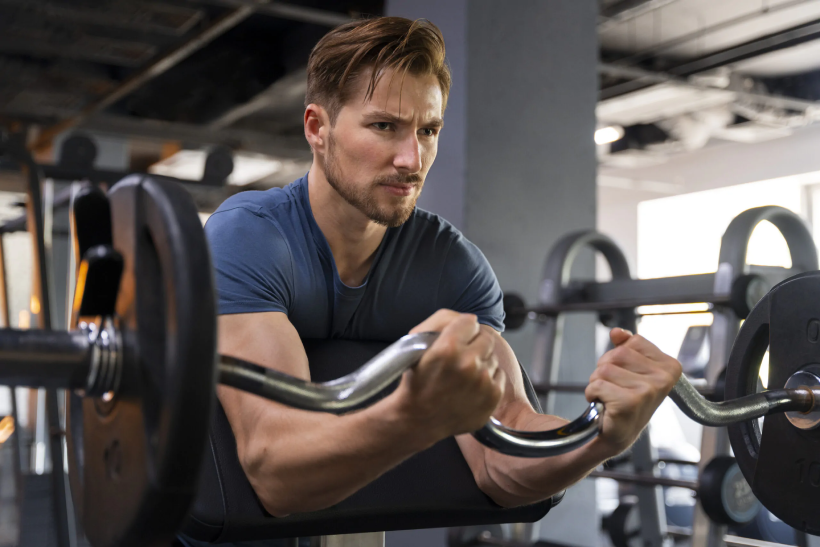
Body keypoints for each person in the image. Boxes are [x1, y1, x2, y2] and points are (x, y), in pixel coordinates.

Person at [199, 15, 681, 543]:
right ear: (318, 128)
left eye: (428, 131)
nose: (412, 159)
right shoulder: (250, 238)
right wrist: (414, 417)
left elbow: (503, 461)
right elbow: (275, 474)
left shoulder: (452, 266)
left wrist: (598, 435)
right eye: (384, 126)